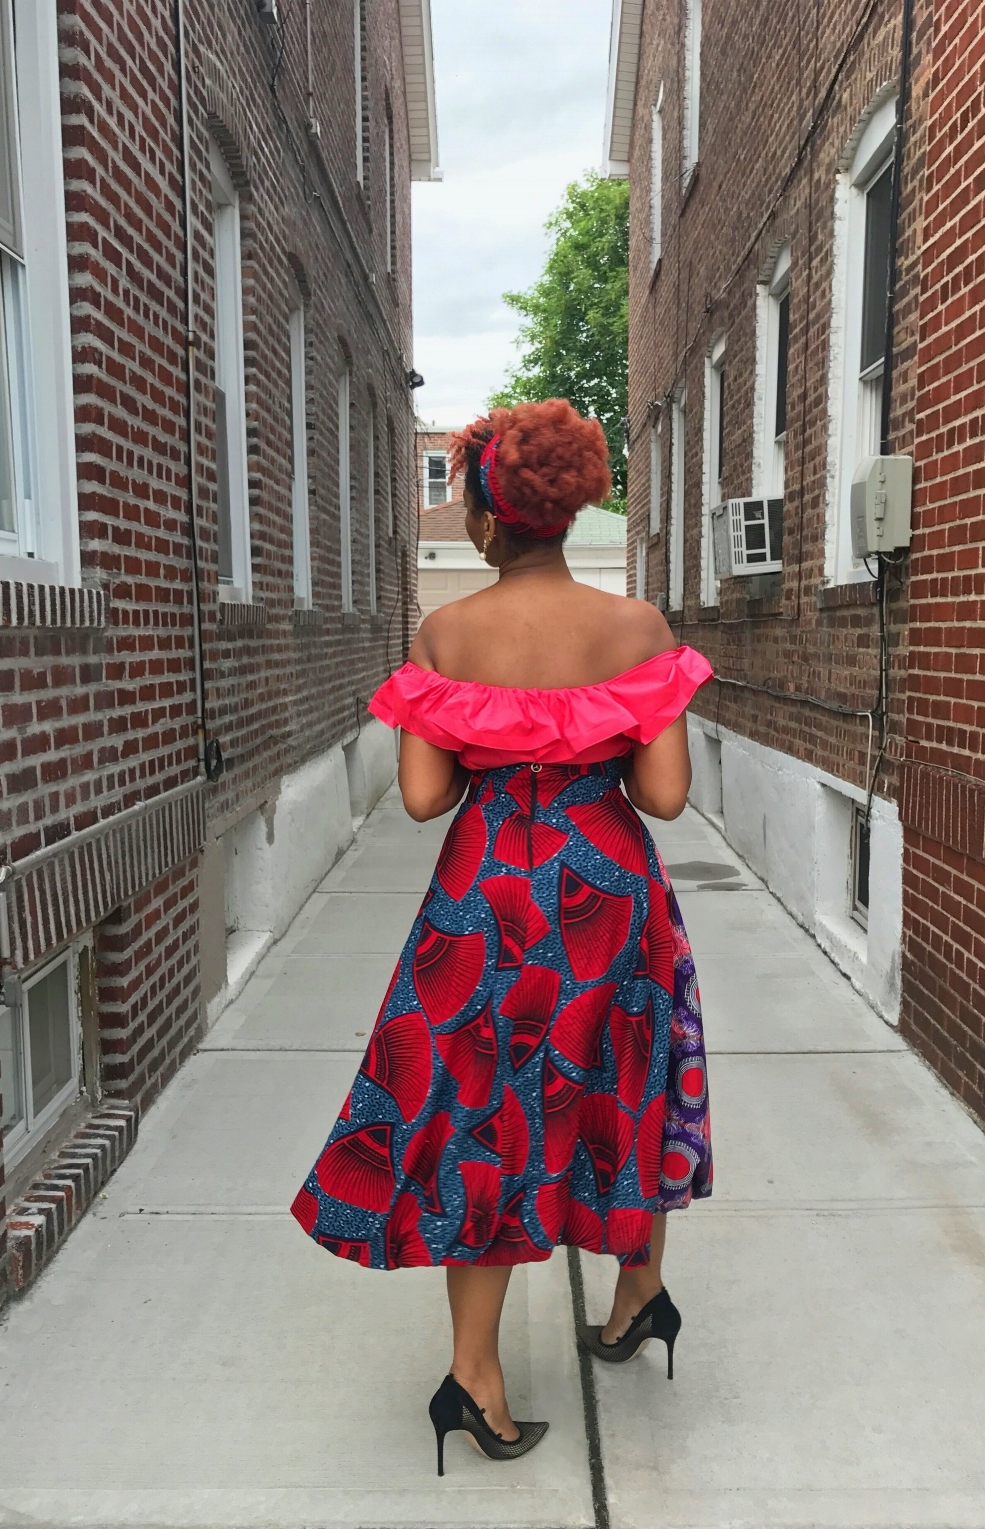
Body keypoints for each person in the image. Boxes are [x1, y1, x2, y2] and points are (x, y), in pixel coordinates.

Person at [292, 399, 713, 1474]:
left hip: (484, 896)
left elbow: (423, 798)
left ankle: (473, 1373)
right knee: (624, 1084)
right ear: (570, 509)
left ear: (485, 516)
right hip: (606, 890)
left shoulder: (447, 634)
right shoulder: (638, 627)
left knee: (479, 1111)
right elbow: (665, 795)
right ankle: (639, 1291)